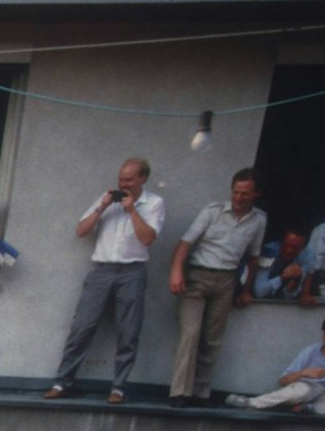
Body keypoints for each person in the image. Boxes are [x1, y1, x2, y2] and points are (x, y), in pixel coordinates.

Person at [43, 158, 164, 404]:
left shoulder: (154, 203)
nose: (123, 184)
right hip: (101, 270)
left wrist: (132, 210)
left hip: (132, 271)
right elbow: (80, 231)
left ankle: (119, 388)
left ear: (143, 179)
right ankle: (61, 382)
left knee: (128, 331)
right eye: (121, 179)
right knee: (82, 328)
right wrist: (102, 207)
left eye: (129, 180)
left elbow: (148, 238)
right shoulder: (106, 198)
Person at [166, 167, 267, 410]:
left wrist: (246, 288)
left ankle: (200, 392)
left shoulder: (259, 219)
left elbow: (254, 256)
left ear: (256, 194)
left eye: (245, 194)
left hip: (227, 280)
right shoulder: (212, 212)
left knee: (212, 338)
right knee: (191, 333)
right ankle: (180, 392)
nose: (239, 198)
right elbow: (185, 242)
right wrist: (176, 271)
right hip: (198, 275)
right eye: (236, 192)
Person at [223, 308, 325, 415]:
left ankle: (310, 408)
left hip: (321, 396)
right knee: (304, 390)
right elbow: (283, 381)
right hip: (303, 388)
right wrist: (305, 372)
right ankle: (250, 402)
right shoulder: (311, 351)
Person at [253, 229, 309, 300]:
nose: (289, 250)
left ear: (302, 248)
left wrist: (296, 279)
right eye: (286, 245)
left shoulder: (306, 256)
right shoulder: (268, 251)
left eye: (295, 247)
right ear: (280, 243)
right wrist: (283, 277)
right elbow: (259, 292)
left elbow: (288, 296)